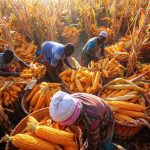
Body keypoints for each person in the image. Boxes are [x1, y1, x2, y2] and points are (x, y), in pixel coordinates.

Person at [50, 91, 114, 150]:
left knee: (105, 142)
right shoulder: (68, 101)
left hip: (106, 119)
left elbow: (92, 143)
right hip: (94, 112)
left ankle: (109, 148)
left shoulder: (91, 120)